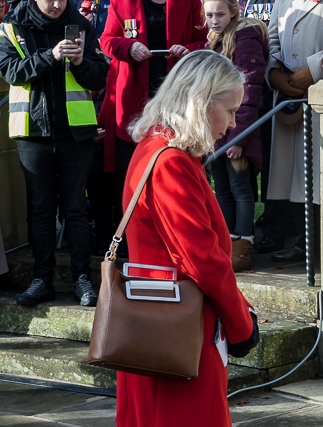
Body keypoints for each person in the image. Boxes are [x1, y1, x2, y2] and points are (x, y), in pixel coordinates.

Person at [119, 50, 259, 426]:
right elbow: (202, 260)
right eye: (229, 111)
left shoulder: (158, 148)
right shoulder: (171, 161)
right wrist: (241, 323)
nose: (232, 124)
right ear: (200, 103)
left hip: (157, 321)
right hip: (176, 330)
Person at [0, 0, 108, 306]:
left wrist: (79, 64)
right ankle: (41, 280)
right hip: (32, 132)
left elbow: (100, 76)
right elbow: (11, 72)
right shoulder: (11, 26)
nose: (58, 4)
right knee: (41, 210)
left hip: (76, 133)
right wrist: (52, 55)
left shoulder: (82, 25)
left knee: (75, 209)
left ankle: (82, 279)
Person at [98, 0, 208, 255]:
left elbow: (204, 43)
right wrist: (129, 46)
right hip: (134, 100)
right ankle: (129, 242)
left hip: (176, 102)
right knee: (131, 173)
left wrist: (187, 50)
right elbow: (107, 40)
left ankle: (175, 238)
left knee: (173, 170)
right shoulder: (121, 2)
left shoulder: (189, 3)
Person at [257, 0, 323, 262]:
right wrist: (274, 72)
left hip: (321, 95)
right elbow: (272, 39)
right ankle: (303, 243)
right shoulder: (283, 2)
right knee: (292, 175)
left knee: (316, 172)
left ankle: (319, 244)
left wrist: (313, 71)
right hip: (287, 100)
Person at [204, 0, 268, 272]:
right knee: (222, 189)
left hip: (238, 129)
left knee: (240, 188)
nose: (214, 20)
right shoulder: (213, 39)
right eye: (209, 15)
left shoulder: (245, 38)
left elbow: (251, 89)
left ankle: (243, 246)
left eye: (220, 14)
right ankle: (226, 241)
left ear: (233, 11)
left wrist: (239, 137)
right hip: (216, 130)